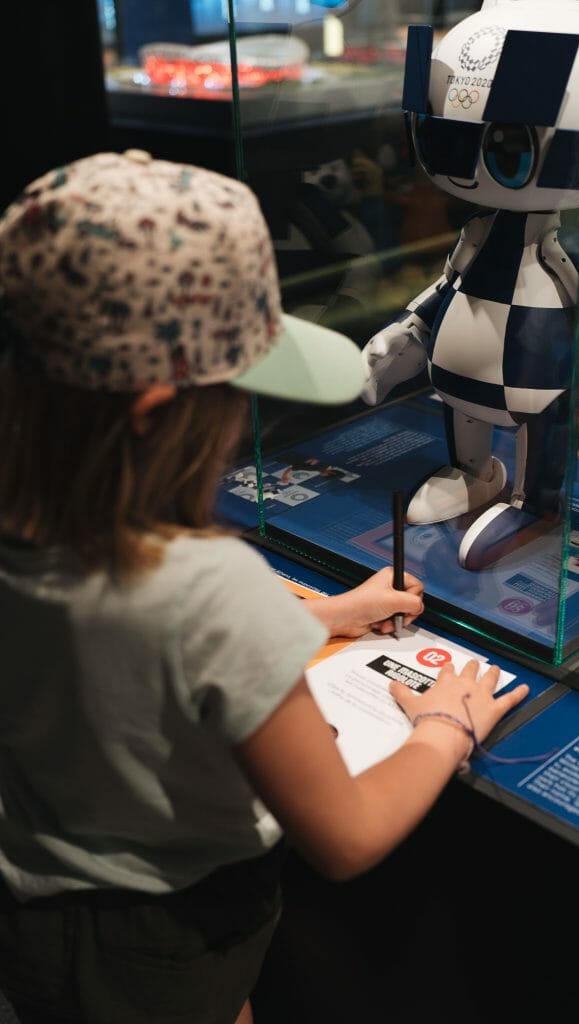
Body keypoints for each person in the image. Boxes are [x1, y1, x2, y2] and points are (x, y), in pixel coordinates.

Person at [0, 150, 530, 1024]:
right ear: (159, 413)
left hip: (35, 912)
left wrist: (323, 615)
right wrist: (443, 727)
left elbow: (114, 645)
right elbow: (347, 836)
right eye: (239, 394)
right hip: (178, 934)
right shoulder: (213, 591)